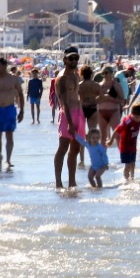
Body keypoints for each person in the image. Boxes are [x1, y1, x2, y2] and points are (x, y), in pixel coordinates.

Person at [0, 57, 24, 168]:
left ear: (5, 66)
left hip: (9, 109)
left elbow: (20, 94)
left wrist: (21, 111)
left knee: (9, 134)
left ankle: (8, 159)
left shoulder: (13, 79)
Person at [53, 48, 84, 189]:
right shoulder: (62, 78)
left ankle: (72, 182)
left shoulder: (76, 75)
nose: (74, 61)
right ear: (65, 59)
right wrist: (70, 123)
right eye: (71, 58)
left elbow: (77, 95)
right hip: (67, 114)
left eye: (76, 58)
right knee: (63, 147)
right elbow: (64, 102)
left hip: (78, 113)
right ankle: (58, 183)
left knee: (76, 148)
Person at [108, 103, 140, 181]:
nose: (138, 119)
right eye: (136, 117)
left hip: (133, 147)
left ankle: (132, 179)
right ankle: (126, 180)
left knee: (133, 164)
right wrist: (111, 140)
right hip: (125, 147)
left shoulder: (138, 120)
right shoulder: (127, 121)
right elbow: (117, 130)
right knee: (127, 165)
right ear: (132, 114)